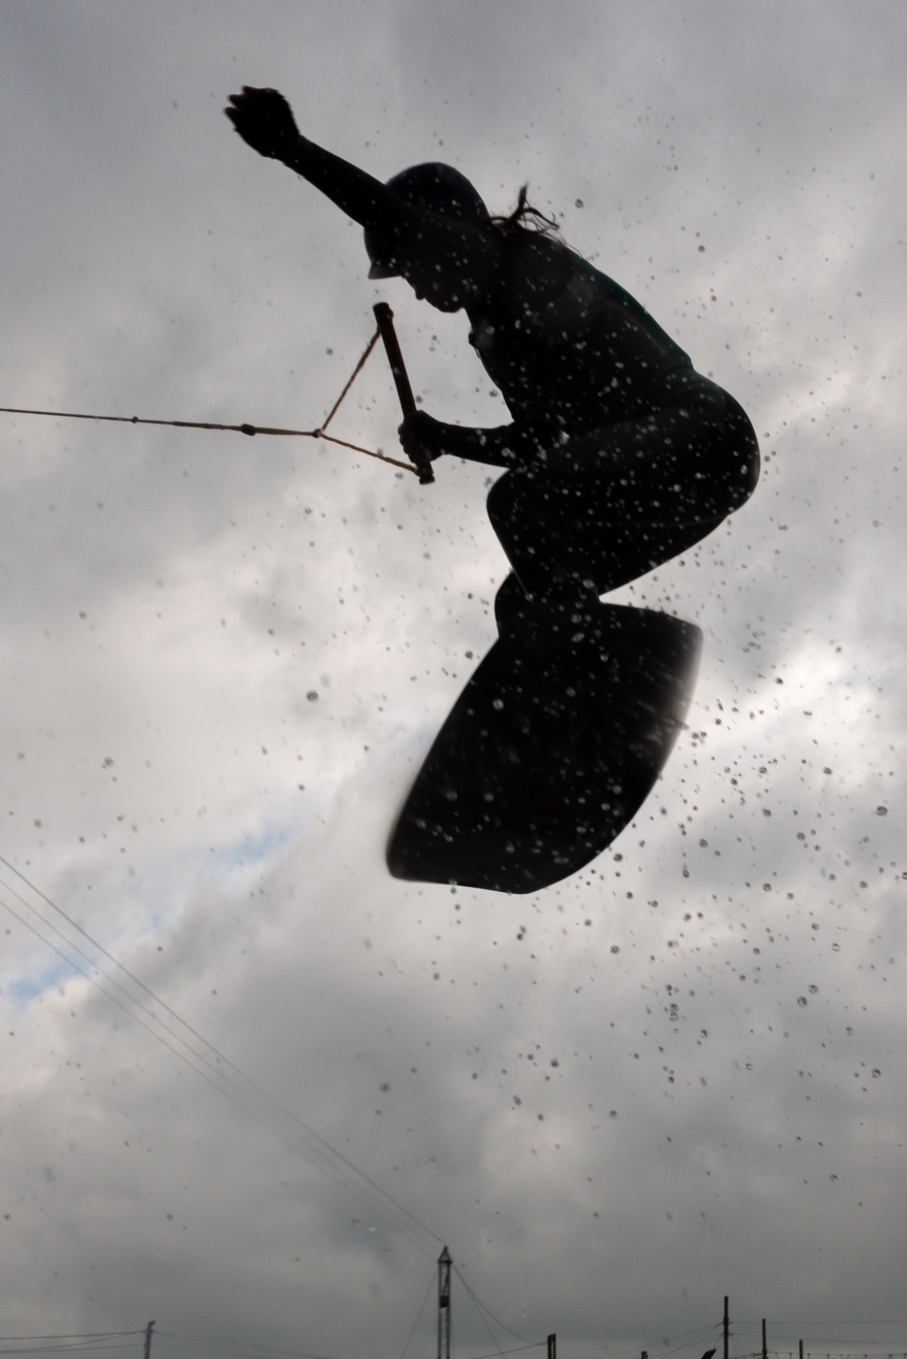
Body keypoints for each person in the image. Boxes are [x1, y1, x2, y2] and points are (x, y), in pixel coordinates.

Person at [227, 87, 756, 891]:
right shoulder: (494, 329)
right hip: (671, 478)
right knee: (523, 604)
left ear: (456, 231)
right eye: (400, 273)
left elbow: (391, 214)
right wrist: (446, 435)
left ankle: (602, 678)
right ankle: (570, 755)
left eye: (411, 264)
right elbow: (540, 442)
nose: (412, 284)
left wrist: (293, 149)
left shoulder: (515, 263)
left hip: (701, 436)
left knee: (524, 511)